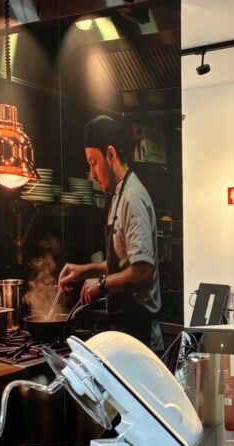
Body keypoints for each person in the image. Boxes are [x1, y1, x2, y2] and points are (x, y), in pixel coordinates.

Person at [58, 114, 162, 350]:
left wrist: (102, 284)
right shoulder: (119, 196)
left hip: (140, 335)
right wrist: (84, 271)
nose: (92, 173)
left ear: (111, 154)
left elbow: (142, 272)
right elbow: (123, 264)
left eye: (93, 162)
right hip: (126, 331)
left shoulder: (132, 198)